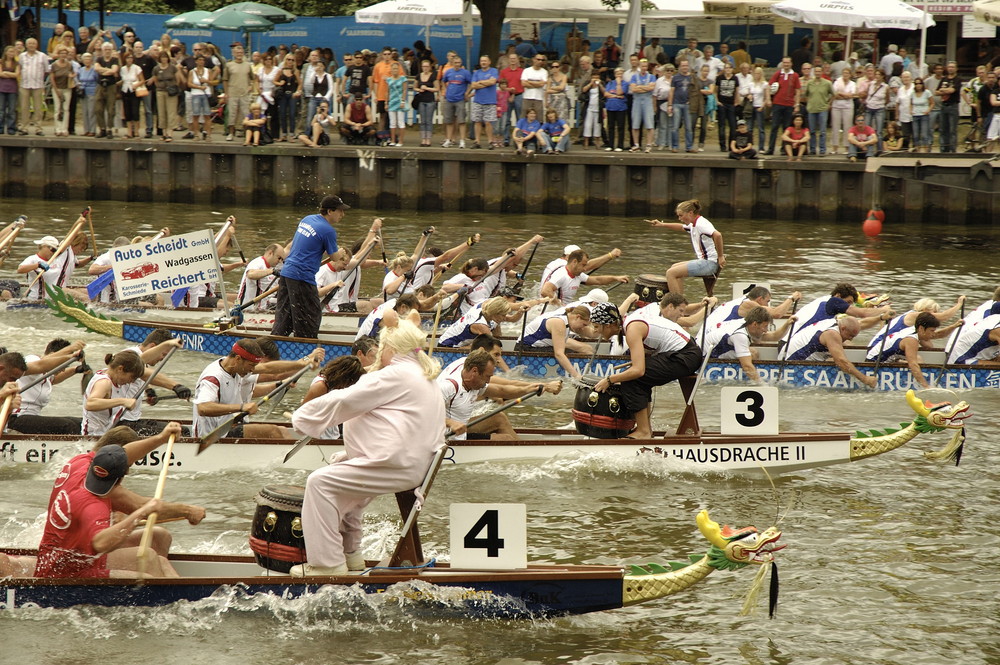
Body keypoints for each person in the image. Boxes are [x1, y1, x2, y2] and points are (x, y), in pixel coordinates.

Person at [289, 320, 444, 576]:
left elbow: (345, 399)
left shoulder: (396, 374)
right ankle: (352, 557)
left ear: (390, 348)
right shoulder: (420, 374)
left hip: (395, 465)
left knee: (320, 483)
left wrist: (302, 418)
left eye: (381, 347)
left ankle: (328, 564)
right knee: (341, 474)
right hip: (405, 463)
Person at [34, 422, 206, 579]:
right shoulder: (97, 500)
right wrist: (188, 511)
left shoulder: (81, 462)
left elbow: (125, 454)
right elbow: (137, 509)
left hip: (70, 552)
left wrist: (161, 438)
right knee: (150, 557)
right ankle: (164, 600)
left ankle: (174, 590)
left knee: (158, 537)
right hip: (69, 568)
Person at [593, 294, 705, 439]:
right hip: (685, 353)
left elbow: (638, 371)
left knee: (632, 379)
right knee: (633, 377)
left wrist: (609, 379)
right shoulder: (630, 325)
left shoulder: (632, 329)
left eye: (596, 326)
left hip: (686, 356)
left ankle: (643, 431)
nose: (595, 331)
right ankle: (645, 429)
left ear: (608, 325)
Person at [271, 196, 361, 340]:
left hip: (287, 272)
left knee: (285, 314)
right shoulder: (328, 230)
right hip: (302, 277)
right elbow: (336, 258)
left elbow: (309, 244)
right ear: (330, 211)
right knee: (310, 315)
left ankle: (276, 342)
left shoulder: (307, 219)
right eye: (340, 211)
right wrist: (340, 252)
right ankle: (306, 347)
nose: (342, 215)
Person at [192, 339, 297, 439]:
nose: (252, 370)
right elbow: (202, 408)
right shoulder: (213, 378)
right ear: (238, 359)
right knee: (273, 431)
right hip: (211, 435)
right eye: (251, 365)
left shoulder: (234, 367)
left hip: (229, 425)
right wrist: (242, 407)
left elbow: (268, 369)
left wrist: (304, 363)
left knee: (282, 430)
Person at [438, 348, 548, 440]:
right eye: (487, 376)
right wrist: (451, 423)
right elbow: (424, 413)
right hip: (447, 436)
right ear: (475, 371)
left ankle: (524, 453)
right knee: (505, 439)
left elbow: (501, 390)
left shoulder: (466, 364)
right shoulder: (449, 386)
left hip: (461, 427)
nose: (489, 381)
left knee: (498, 418)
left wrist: (529, 389)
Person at [646, 199, 725, 296]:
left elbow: (718, 235)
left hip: (709, 264)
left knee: (671, 273)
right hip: (705, 262)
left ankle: (676, 303)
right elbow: (681, 227)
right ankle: (680, 302)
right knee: (674, 267)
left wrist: (721, 257)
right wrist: (662, 224)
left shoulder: (701, 224)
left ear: (690, 213)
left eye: (681, 215)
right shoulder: (694, 224)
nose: (679, 218)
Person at [866, 311, 962, 388]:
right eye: (931, 331)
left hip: (885, 358)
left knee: (918, 359)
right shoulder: (911, 340)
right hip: (873, 363)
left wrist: (954, 326)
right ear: (921, 328)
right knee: (917, 361)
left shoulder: (915, 329)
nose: (933, 334)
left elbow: (938, 335)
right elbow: (913, 365)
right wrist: (926, 387)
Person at [702, 306, 795, 383]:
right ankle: (748, 381)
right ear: (755, 324)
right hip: (708, 359)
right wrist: (762, 386)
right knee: (751, 358)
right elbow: (747, 366)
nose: (766, 330)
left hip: (712, 349)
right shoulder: (740, 335)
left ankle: (750, 379)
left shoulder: (747, 324)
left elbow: (774, 337)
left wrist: (787, 324)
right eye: (765, 326)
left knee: (753, 353)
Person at [782, 314, 879, 388]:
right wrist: (865, 379)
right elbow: (842, 362)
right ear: (843, 328)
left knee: (835, 358)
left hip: (794, 356)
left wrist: (881, 318)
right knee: (840, 361)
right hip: (792, 364)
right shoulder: (832, 333)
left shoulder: (835, 322)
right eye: (850, 336)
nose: (850, 339)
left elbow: (860, 324)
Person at [515, 305, 595, 378]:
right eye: (584, 325)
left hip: (536, 347)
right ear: (578, 317)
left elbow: (595, 334)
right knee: (571, 353)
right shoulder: (559, 323)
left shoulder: (566, 321)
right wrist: (577, 376)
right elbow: (559, 354)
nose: (583, 328)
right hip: (525, 349)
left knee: (576, 351)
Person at [540, 249, 629, 305]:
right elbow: (545, 291)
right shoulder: (561, 275)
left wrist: (615, 278)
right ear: (574, 262)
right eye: (583, 265)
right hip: (553, 312)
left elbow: (597, 280)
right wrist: (560, 305)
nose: (585, 268)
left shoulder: (577, 274)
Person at [765, 57, 801, 155]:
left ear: (791, 64)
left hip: (789, 105)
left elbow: (797, 91)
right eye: (784, 63)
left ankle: (784, 149)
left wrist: (796, 104)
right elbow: (768, 86)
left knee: (786, 128)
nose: (786, 64)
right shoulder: (778, 74)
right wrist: (768, 99)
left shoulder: (795, 75)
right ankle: (771, 149)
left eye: (788, 63)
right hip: (777, 104)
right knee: (774, 126)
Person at [236, 243, 286, 311]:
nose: (280, 261)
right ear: (270, 253)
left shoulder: (273, 266)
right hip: (249, 309)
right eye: (279, 258)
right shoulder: (257, 263)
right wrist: (271, 271)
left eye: (282, 259)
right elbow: (250, 274)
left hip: (264, 308)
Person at [468, 55, 498, 150]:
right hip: (478, 100)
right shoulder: (477, 73)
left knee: (488, 122)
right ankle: (477, 141)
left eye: (485, 61)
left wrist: (480, 82)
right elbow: (473, 85)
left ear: (489, 62)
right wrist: (486, 83)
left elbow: (493, 82)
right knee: (477, 121)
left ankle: (490, 141)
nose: (483, 63)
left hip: (490, 101)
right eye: (481, 61)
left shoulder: (494, 71)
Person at [441, 56, 471, 148]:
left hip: (460, 99)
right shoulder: (448, 72)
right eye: (456, 62)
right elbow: (443, 81)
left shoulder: (465, 73)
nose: (457, 64)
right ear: (452, 63)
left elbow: (471, 83)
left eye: (459, 62)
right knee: (449, 121)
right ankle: (448, 140)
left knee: (461, 121)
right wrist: (445, 90)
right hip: (449, 99)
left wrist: (467, 93)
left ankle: (462, 140)